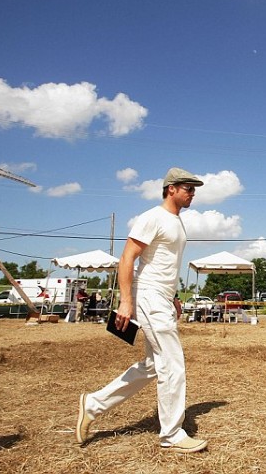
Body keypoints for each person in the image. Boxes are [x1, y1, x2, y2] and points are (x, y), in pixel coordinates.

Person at [76, 167, 207, 453]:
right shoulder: (153, 217)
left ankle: (93, 404)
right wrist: (126, 301)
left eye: (194, 189)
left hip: (161, 297)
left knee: (153, 366)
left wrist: (172, 296)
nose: (192, 193)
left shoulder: (176, 222)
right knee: (172, 363)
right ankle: (172, 434)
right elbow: (127, 258)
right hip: (147, 296)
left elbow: (164, 264)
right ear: (171, 188)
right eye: (188, 187)